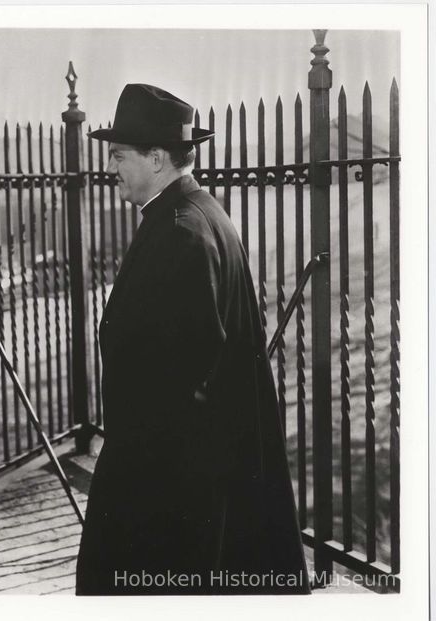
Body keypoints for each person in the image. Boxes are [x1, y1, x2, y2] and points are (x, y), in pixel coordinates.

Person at [75, 84, 310, 595]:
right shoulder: (196, 213)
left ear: (156, 158)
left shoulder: (182, 231)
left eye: (118, 155)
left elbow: (180, 381)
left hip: (167, 480)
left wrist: (137, 481)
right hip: (186, 467)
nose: (110, 167)